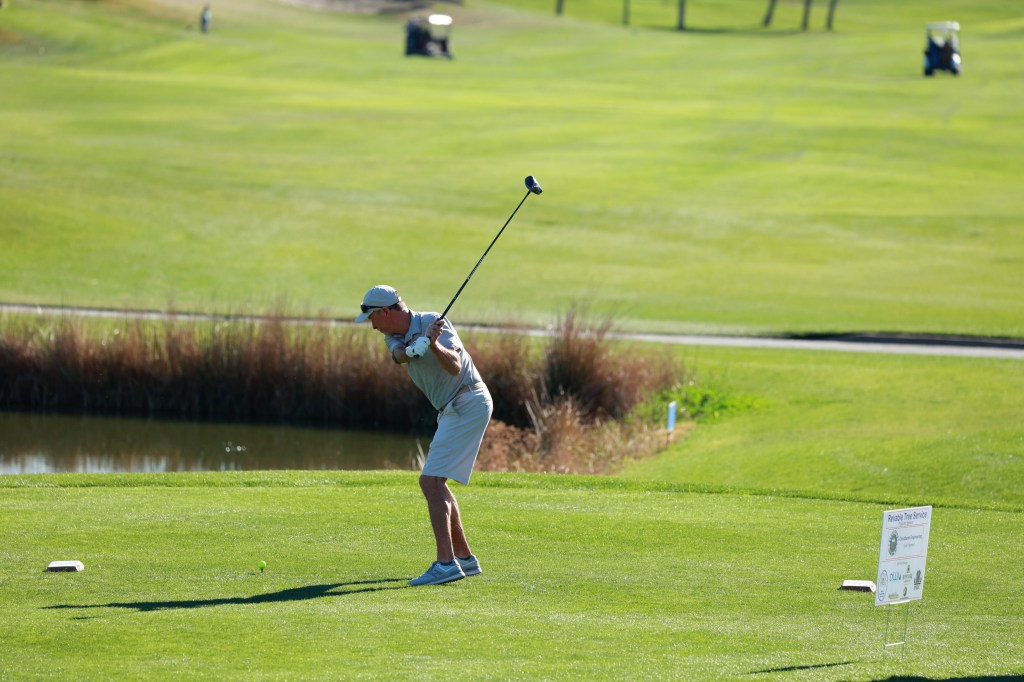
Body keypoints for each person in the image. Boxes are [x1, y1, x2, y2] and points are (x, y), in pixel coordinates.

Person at [355, 285, 493, 586]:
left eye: (372, 318)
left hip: (467, 399)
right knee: (437, 482)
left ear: (385, 312)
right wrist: (413, 348)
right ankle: (465, 559)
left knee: (430, 482)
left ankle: (446, 564)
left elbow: (455, 366)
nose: (373, 325)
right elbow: (399, 356)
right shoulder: (392, 336)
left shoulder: (433, 321)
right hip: (452, 408)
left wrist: (431, 344)